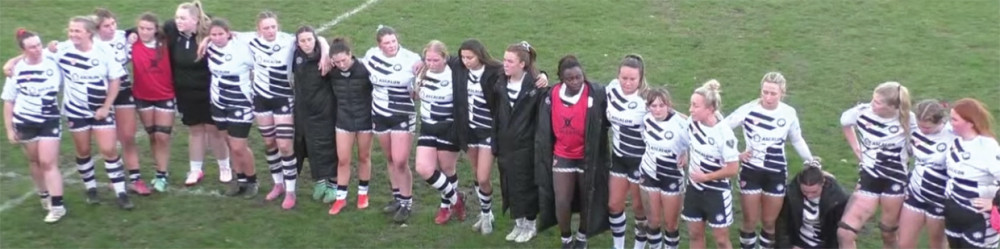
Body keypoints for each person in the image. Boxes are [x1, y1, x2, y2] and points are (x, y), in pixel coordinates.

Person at [48, 16, 133, 210]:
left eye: (77, 31)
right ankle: (91, 188)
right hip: (75, 111)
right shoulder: (61, 49)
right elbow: (35, 54)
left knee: (109, 149)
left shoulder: (104, 51)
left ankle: (121, 192)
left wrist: (106, 106)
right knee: (83, 150)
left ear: (89, 33)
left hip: (100, 110)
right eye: (71, 31)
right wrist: (13, 62)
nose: (73, 34)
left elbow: (115, 80)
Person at [724, 72, 816, 249]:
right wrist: (735, 154)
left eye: (773, 93)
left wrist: (810, 160)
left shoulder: (788, 113)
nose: (768, 97)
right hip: (751, 171)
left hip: (776, 172)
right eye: (765, 92)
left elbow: (796, 139)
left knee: (769, 222)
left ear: (783, 93)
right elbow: (722, 129)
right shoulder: (748, 109)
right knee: (750, 221)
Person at [535, 55, 610, 249]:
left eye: (579, 77)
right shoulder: (551, 95)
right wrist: (541, 74)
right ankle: (566, 239)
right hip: (563, 154)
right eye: (570, 78)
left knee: (588, 198)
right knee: (562, 199)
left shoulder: (597, 92)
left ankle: (583, 236)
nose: (576, 81)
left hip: (588, 157)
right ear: (561, 78)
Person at [837, 81, 914, 249]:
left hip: (894, 182)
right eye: (873, 99)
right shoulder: (861, 112)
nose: (872, 104)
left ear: (893, 107)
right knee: (845, 232)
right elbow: (845, 122)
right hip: (869, 178)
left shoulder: (907, 119)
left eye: (878, 102)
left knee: (888, 234)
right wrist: (856, 148)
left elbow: (919, 145)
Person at [2, 29, 67, 223]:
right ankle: (44, 194)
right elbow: (9, 100)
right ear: (23, 50)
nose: (37, 49)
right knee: (34, 161)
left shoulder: (53, 60)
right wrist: (8, 128)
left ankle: (57, 205)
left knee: (47, 161)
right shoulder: (16, 70)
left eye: (39, 44)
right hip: (24, 120)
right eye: (32, 47)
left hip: (49, 119)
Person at [166, 1, 231, 186]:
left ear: (194, 19)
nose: (178, 21)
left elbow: (229, 36)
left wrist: (208, 37)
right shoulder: (174, 34)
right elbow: (151, 27)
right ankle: (195, 170)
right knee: (195, 130)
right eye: (177, 17)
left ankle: (224, 167)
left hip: (208, 92)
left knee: (213, 130)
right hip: (186, 93)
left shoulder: (208, 35)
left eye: (183, 18)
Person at [361, 25, 421, 222]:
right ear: (379, 45)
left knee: (400, 160)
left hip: (402, 115)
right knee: (390, 158)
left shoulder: (411, 59)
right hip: (379, 114)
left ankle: (407, 203)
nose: (391, 45)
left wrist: (418, 88)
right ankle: (398, 197)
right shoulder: (371, 56)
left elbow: (421, 85)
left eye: (393, 41)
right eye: (386, 43)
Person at [492, 41, 545, 243]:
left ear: (522, 64)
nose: (504, 64)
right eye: (504, 59)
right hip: (505, 145)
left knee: (526, 185)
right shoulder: (500, 83)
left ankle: (530, 225)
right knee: (509, 184)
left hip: (526, 146)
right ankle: (518, 223)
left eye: (509, 61)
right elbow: (497, 115)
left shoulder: (535, 87)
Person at [413, 40, 469, 225]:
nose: (431, 63)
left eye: (436, 60)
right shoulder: (422, 71)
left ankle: (445, 207)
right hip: (427, 126)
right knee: (423, 168)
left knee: (447, 169)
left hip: (449, 128)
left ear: (445, 58)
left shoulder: (455, 73)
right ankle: (456, 200)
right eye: (428, 59)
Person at [201, 18, 257, 199]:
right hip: (218, 103)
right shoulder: (209, 48)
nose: (217, 38)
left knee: (239, 146)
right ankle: (240, 181)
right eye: (213, 35)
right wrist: (205, 40)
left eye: (220, 34)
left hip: (240, 102)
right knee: (229, 144)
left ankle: (252, 180)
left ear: (228, 33)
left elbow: (257, 40)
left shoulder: (241, 48)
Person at [92, 8, 146, 196]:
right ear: (97, 28)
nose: (112, 28)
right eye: (107, 26)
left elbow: (150, 29)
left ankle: (136, 179)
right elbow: (55, 49)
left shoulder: (124, 36)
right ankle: (116, 177)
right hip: (100, 95)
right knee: (107, 142)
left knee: (128, 137)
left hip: (123, 91)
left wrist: (132, 34)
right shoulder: (90, 43)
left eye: (113, 23)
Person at [682, 79, 739, 249]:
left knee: (721, 240)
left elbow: (733, 168)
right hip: (694, 189)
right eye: (691, 104)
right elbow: (685, 139)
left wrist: (705, 177)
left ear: (710, 109)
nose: (690, 109)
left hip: (717, 192)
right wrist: (683, 154)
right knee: (695, 234)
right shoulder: (692, 123)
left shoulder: (724, 134)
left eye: (695, 106)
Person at [290, 26, 337, 211]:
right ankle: (319, 181)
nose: (307, 43)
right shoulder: (293, 55)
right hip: (303, 110)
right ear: (297, 43)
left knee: (327, 146)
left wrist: (324, 48)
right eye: (303, 40)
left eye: (310, 39)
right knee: (306, 145)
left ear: (315, 39)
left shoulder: (325, 56)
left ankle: (333, 185)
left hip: (324, 110)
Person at [943, 98, 1000, 249]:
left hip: (978, 219)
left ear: (970, 123)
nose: (950, 123)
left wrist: (995, 204)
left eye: (954, 119)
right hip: (953, 213)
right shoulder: (954, 138)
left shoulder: (987, 146)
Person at [898, 100, 955, 249]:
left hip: (939, 199)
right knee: (904, 244)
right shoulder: (915, 130)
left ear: (940, 121)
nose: (923, 130)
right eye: (920, 125)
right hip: (915, 193)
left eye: (928, 127)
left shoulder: (952, 136)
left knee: (936, 245)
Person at [606, 54, 649, 249]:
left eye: (632, 79)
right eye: (624, 78)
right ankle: (619, 246)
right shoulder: (612, 89)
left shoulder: (647, 100)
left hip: (640, 160)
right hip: (619, 157)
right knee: (614, 205)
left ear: (641, 78)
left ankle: (639, 246)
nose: (627, 83)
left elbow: (671, 121)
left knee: (640, 208)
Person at [130, 12, 175, 193]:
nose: (145, 32)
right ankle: (159, 170)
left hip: (165, 95)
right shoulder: (131, 44)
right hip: (142, 96)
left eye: (149, 29)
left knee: (162, 136)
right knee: (152, 136)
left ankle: (162, 174)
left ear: (156, 29)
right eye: (141, 28)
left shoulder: (165, 44)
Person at [638, 88, 689, 249]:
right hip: (649, 173)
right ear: (648, 107)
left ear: (669, 105)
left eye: (662, 105)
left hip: (672, 176)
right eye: (653, 106)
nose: (657, 110)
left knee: (671, 224)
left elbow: (696, 136)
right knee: (653, 221)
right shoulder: (646, 120)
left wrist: (685, 152)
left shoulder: (681, 124)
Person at [328, 36, 374, 213]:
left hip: (365, 120)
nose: (341, 64)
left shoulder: (365, 69)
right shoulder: (331, 71)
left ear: (351, 55)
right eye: (337, 61)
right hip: (344, 120)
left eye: (344, 60)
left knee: (364, 156)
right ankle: (341, 198)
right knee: (343, 159)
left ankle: (363, 194)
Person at [774, 162, 849, 249]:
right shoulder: (791, 194)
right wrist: (789, 247)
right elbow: (782, 224)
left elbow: (837, 235)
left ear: (823, 183)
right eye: (805, 191)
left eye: (814, 192)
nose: (809, 195)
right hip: (797, 242)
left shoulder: (838, 200)